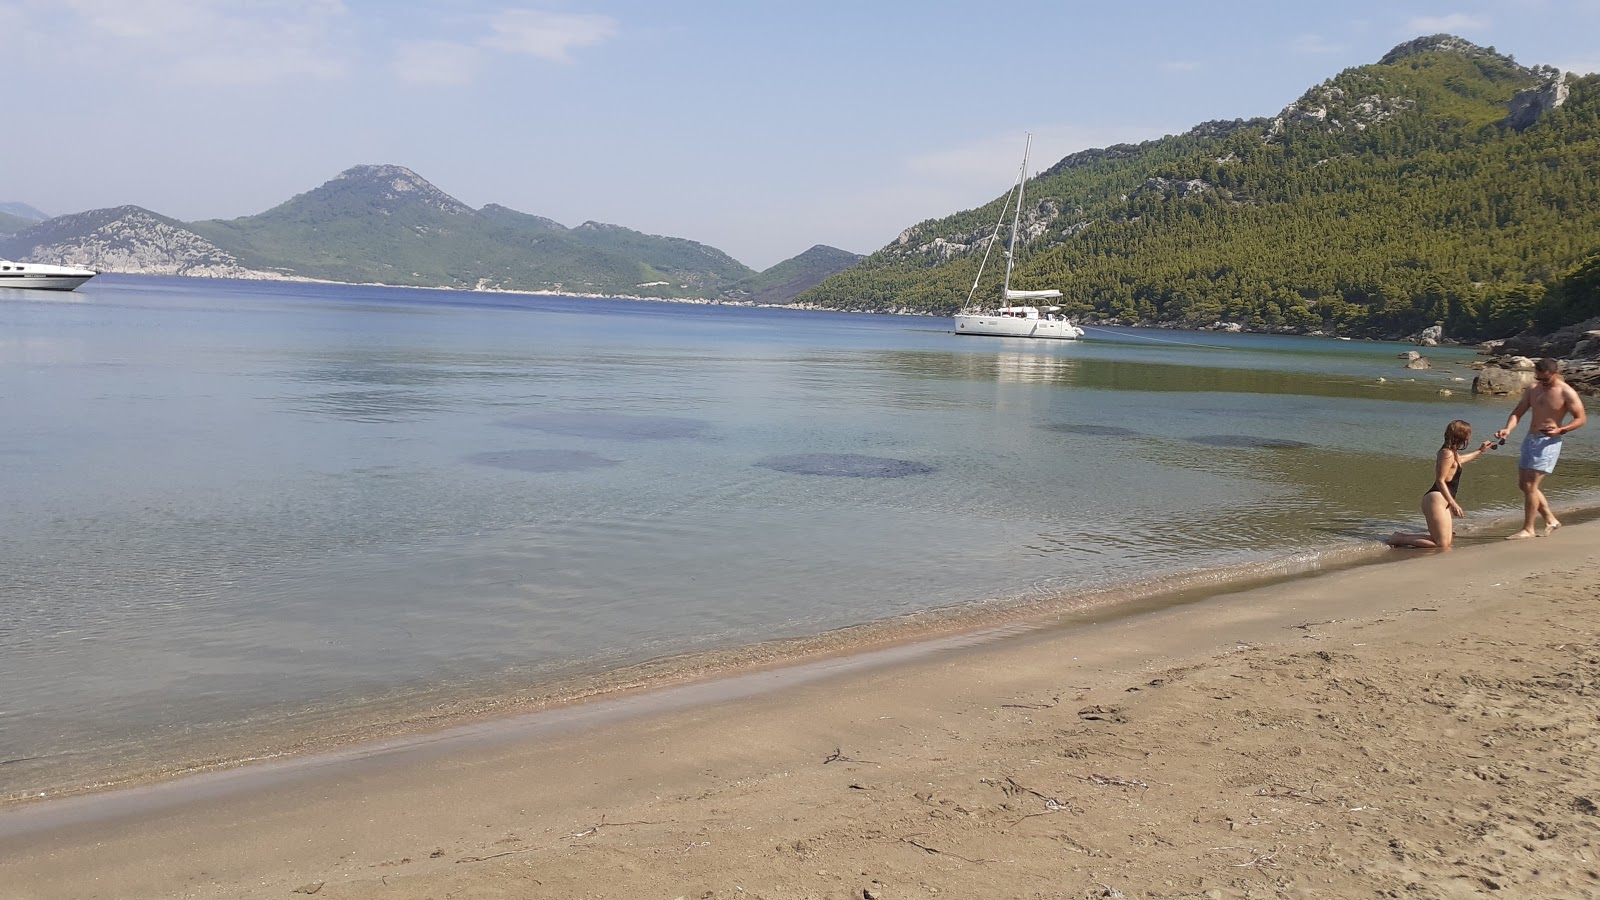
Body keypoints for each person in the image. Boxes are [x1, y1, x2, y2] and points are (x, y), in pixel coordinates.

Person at [1496, 357, 1587, 539]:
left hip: (1549, 442)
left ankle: (1528, 528)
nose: (1542, 382)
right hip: (1531, 439)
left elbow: (1581, 418)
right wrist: (1508, 429)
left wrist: (1562, 429)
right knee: (1524, 485)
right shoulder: (1533, 389)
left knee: (1530, 485)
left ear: (1555, 373)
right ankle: (1550, 519)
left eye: (1545, 379)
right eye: (1538, 378)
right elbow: (1518, 412)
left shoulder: (1566, 392)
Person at [1387, 419, 1496, 550]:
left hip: (1443, 500)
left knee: (1447, 542)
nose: (1470, 436)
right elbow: (1440, 480)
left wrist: (1480, 451)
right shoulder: (1447, 453)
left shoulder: (1452, 453)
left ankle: (1403, 537)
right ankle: (1399, 538)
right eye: (1468, 433)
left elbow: (1460, 460)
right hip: (1435, 499)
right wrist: (1454, 504)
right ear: (1461, 435)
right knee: (1441, 544)